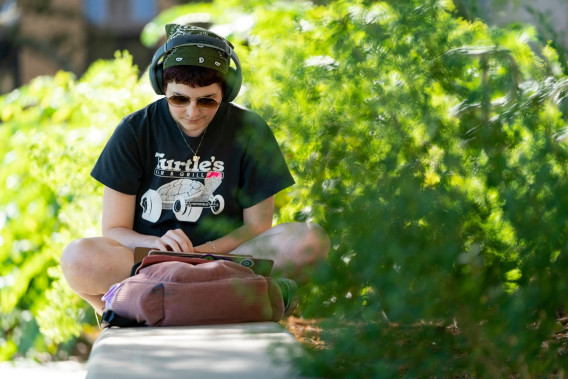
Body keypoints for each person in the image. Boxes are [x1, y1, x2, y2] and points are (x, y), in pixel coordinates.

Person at [60, 24, 330, 315]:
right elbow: (114, 229)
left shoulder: (251, 130)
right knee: (77, 257)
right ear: (162, 88)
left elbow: (257, 225)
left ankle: (144, 303)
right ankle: (239, 297)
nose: (192, 112)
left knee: (310, 239)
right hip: (150, 262)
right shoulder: (134, 130)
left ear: (225, 93)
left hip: (228, 258)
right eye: (179, 99)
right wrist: (157, 244)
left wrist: (206, 253)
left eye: (207, 101)